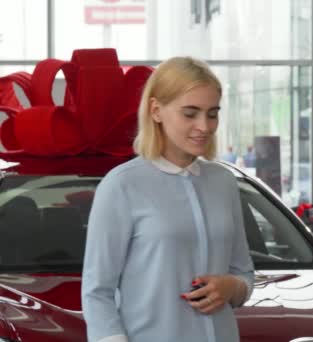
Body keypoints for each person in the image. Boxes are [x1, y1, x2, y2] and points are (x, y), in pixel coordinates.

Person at [81, 56, 254, 342]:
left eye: (212, 113)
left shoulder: (223, 182)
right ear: (156, 110)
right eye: (190, 113)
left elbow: (244, 272)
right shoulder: (122, 185)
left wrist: (231, 287)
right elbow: (97, 291)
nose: (205, 125)